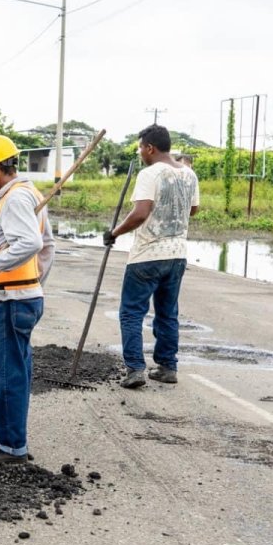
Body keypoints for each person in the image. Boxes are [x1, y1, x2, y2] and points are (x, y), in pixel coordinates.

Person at [0, 135, 54, 464]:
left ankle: (13, 448)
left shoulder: (16, 198)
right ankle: (7, 438)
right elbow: (48, 246)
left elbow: (31, 243)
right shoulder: (27, 194)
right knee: (11, 372)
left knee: (8, 375)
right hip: (20, 296)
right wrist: (36, 284)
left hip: (10, 301)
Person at [106, 124, 200, 389]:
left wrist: (114, 233)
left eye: (140, 148)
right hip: (177, 255)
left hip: (147, 255)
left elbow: (140, 213)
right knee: (167, 313)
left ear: (150, 147)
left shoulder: (150, 174)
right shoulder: (189, 174)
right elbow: (193, 209)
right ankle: (168, 366)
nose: (139, 153)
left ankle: (135, 369)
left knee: (131, 313)